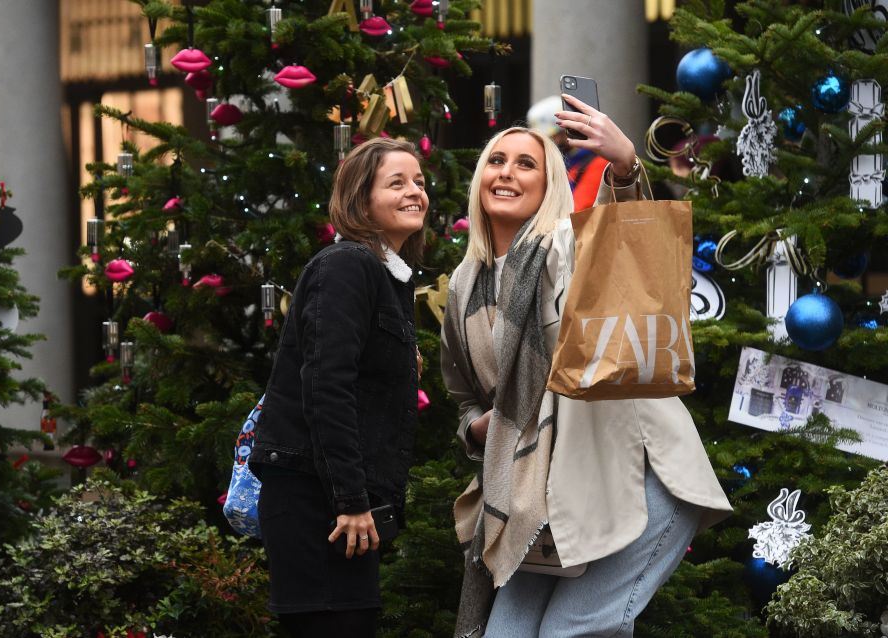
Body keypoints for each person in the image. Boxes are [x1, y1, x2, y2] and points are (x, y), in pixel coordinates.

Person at [441, 94, 733, 638]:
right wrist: (479, 426)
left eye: (526, 163)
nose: (507, 173)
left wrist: (624, 167)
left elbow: (620, 245)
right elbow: (464, 396)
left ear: (549, 184)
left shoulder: (563, 250)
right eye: (497, 162)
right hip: (540, 498)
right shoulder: (463, 286)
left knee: (573, 632)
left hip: (640, 479)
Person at [249, 137, 427, 638]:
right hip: (321, 505)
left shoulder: (387, 277)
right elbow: (327, 389)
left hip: (340, 506)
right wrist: (352, 501)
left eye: (419, 181)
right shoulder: (347, 265)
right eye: (397, 182)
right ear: (360, 200)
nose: (415, 191)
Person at [526, 95, 608, 210]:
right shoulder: (560, 163)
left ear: (568, 128)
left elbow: (577, 213)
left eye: (552, 136)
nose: (548, 143)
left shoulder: (598, 163)